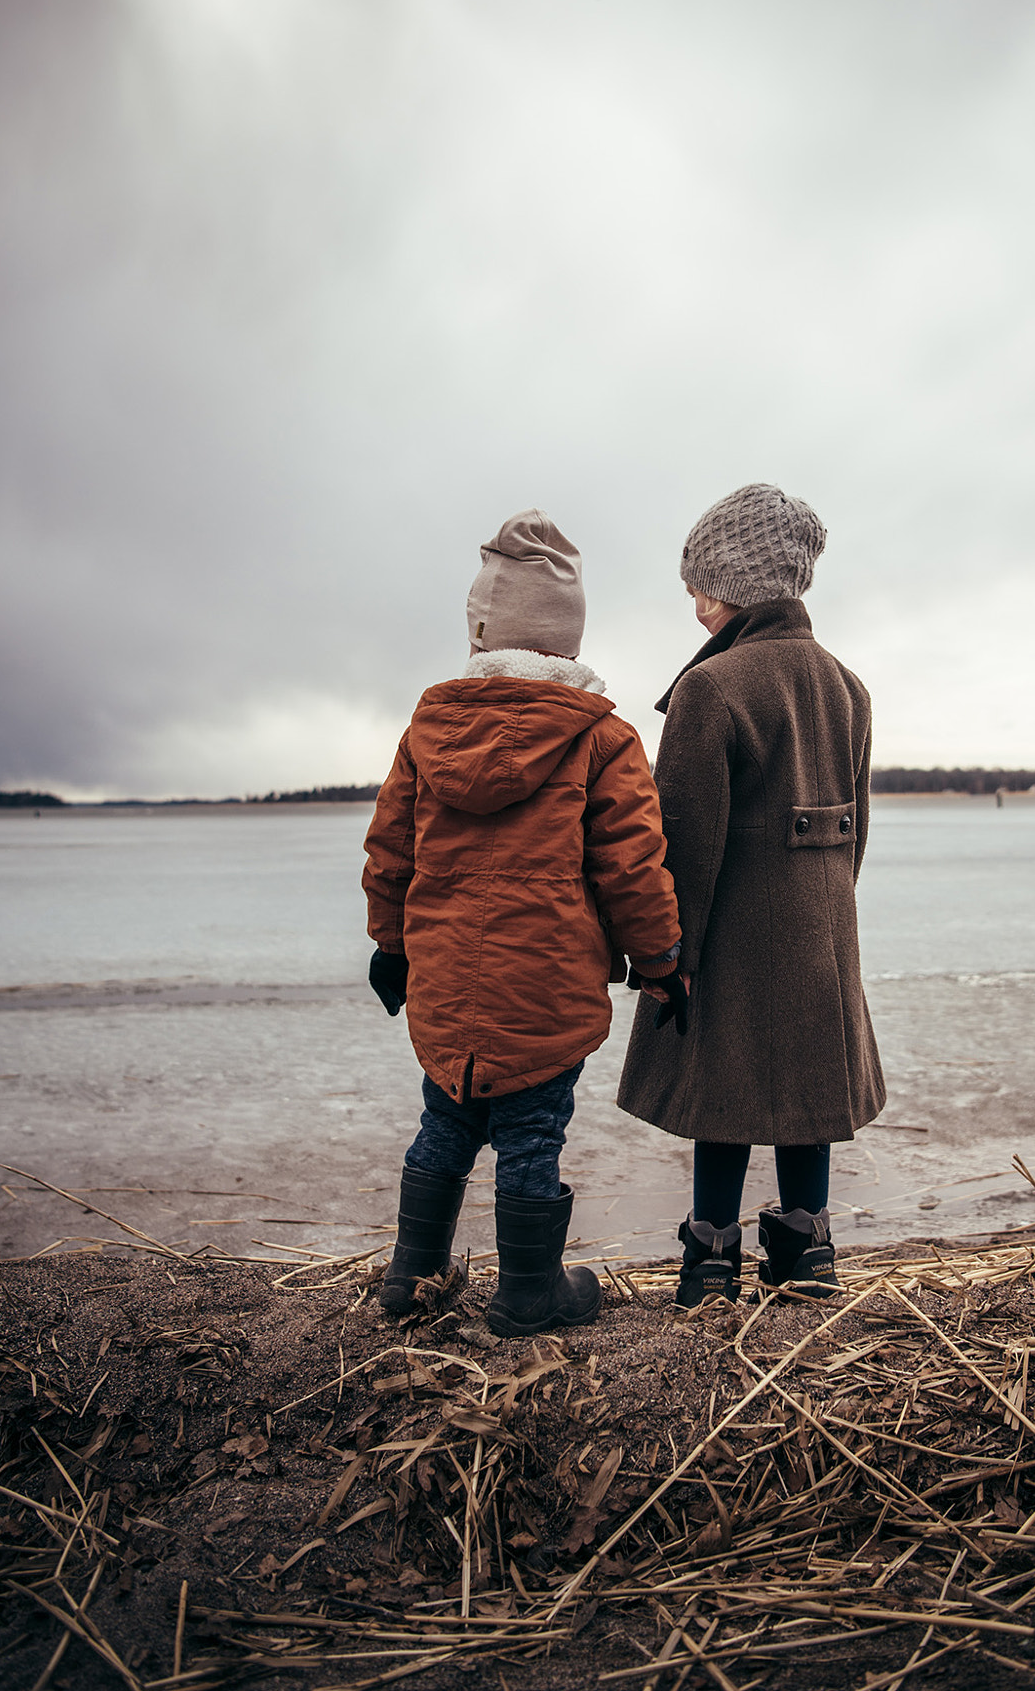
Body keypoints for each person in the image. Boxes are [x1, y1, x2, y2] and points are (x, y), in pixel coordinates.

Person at [363, 509, 681, 1337]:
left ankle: (411, 1274)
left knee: (447, 1115)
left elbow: (390, 851)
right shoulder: (601, 737)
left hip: (444, 977)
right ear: (567, 640)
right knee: (531, 1134)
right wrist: (660, 959)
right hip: (544, 980)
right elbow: (632, 866)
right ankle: (529, 1291)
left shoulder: (426, 731)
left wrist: (389, 945)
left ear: (479, 632)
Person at [617, 483, 886, 1305]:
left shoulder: (713, 688)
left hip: (730, 935)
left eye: (700, 582)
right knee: (809, 1093)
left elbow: (681, 845)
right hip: (821, 932)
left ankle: (708, 1261)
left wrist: (668, 957)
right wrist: (825, 917)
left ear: (739, 583)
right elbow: (858, 833)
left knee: (721, 1096)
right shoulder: (845, 685)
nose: (693, 600)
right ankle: (806, 1250)